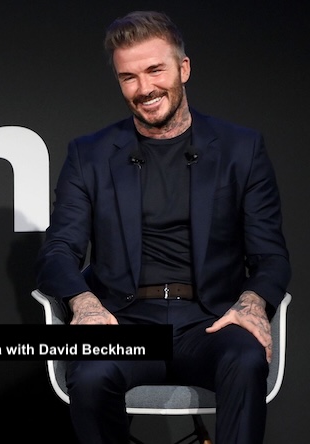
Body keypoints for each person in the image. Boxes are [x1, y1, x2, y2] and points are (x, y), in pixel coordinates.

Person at [35, 11, 290, 444]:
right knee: (91, 374)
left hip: (210, 322)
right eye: (128, 77)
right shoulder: (89, 155)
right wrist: (84, 304)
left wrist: (251, 303)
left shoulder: (241, 149)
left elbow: (271, 255)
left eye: (155, 70)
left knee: (245, 359)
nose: (144, 88)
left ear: (183, 69)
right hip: (125, 322)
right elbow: (58, 250)